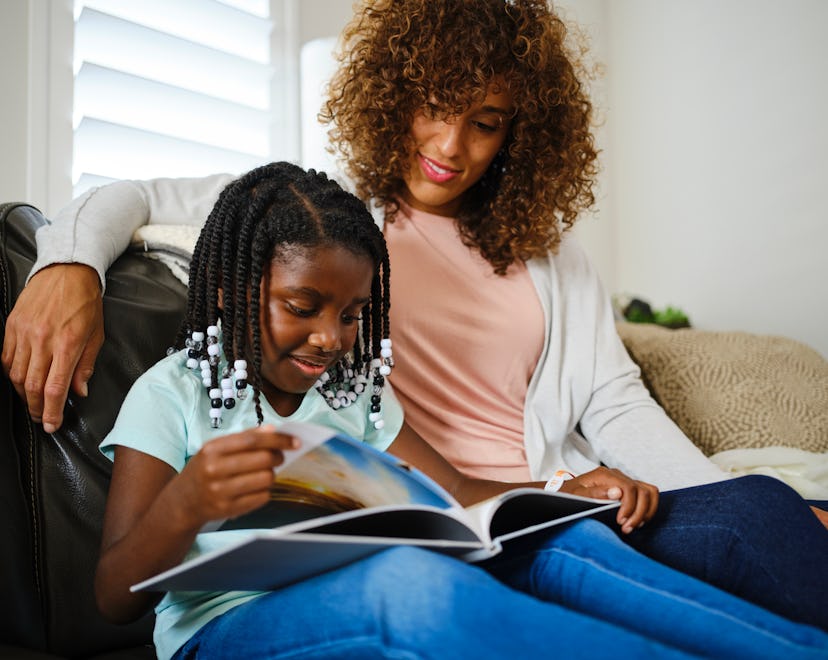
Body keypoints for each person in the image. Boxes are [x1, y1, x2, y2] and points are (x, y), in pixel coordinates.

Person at [3, 0, 827, 631]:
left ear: (517, 136)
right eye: (436, 102)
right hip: (425, 521)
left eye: (486, 122)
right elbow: (131, 196)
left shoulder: (553, 258)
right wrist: (68, 263)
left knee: (757, 509)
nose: (451, 144)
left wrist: (687, 491)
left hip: (534, 497)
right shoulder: (318, 222)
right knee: (751, 525)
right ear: (393, 90)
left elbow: (616, 405)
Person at [95, 160, 828, 660]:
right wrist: (188, 503)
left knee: (567, 544)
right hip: (225, 629)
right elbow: (113, 596)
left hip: (354, 581)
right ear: (229, 291)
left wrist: (560, 494)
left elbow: (465, 498)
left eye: (352, 314)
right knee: (411, 585)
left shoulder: (356, 392)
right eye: (303, 307)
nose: (331, 337)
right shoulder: (172, 393)